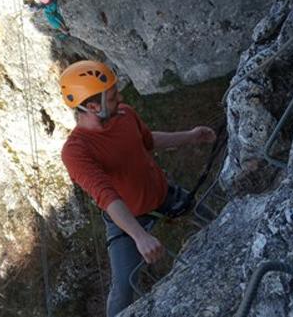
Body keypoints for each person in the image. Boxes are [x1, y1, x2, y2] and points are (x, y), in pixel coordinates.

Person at [59, 60, 216, 317]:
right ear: (91, 106)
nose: (119, 98)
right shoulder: (76, 151)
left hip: (163, 194)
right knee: (123, 288)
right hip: (127, 220)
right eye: (111, 97)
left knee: (217, 224)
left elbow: (148, 141)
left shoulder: (125, 114)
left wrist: (191, 136)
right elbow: (106, 195)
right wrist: (139, 235)